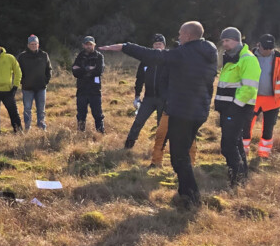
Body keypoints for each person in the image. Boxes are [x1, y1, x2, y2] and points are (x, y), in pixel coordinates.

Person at [101, 21, 218, 208]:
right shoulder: (209, 51)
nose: (178, 37)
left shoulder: (184, 53)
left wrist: (125, 47)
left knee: (179, 157)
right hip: (199, 111)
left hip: (183, 112)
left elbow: (155, 56)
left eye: (180, 34)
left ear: (188, 36)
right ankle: (185, 192)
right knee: (183, 154)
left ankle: (191, 197)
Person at [215, 27, 261, 187]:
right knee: (236, 143)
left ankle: (237, 179)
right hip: (228, 109)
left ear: (236, 40)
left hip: (237, 110)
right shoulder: (231, 59)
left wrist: (235, 107)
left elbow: (249, 88)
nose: (224, 44)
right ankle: (242, 176)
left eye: (227, 40)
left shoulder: (248, 59)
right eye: (223, 41)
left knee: (228, 145)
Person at [243, 34, 280, 159]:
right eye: (265, 47)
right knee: (246, 126)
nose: (267, 50)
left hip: (273, 101)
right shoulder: (248, 56)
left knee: (268, 129)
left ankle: (263, 154)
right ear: (258, 45)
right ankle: (243, 151)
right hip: (251, 98)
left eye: (270, 48)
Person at [125, 34, 169, 149]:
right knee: (138, 121)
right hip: (149, 98)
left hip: (163, 99)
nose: (157, 46)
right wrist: (137, 96)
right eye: (155, 44)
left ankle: (160, 147)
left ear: (164, 46)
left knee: (161, 125)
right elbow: (139, 79)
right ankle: (128, 145)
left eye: (160, 44)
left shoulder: (168, 60)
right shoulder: (145, 60)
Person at [17, 35, 52, 131]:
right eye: (31, 44)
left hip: (41, 87)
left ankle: (42, 127)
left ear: (38, 44)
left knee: (41, 109)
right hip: (27, 88)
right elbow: (17, 71)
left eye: (35, 44)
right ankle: (27, 128)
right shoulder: (22, 56)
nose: (33, 46)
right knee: (27, 109)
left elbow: (49, 69)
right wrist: (22, 81)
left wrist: (46, 80)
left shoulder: (44, 55)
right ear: (28, 45)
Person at [72, 36, 105, 133]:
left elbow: (99, 71)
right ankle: (80, 134)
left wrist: (82, 70)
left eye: (90, 44)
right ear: (83, 45)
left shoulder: (99, 56)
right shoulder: (80, 56)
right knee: (81, 114)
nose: (89, 46)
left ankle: (100, 134)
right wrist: (88, 69)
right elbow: (75, 72)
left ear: (94, 45)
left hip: (94, 90)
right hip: (82, 90)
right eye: (87, 44)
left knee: (97, 114)